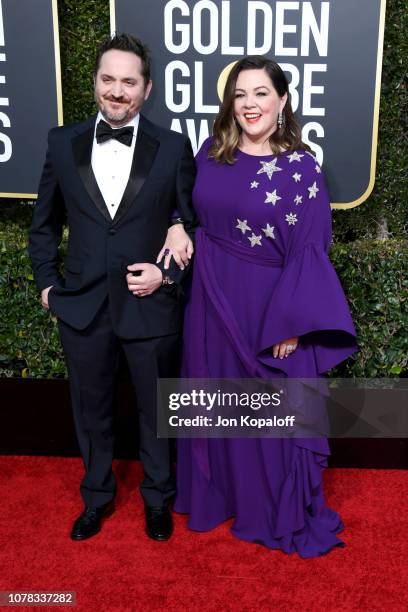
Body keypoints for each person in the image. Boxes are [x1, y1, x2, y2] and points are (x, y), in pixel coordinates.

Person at [173, 56, 357, 558]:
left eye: (260, 93)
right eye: (240, 94)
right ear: (229, 103)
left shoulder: (300, 167)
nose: (249, 104)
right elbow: (185, 206)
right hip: (209, 298)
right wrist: (175, 224)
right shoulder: (212, 152)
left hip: (267, 306)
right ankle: (220, 495)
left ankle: (268, 505)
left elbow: (310, 248)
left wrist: (294, 324)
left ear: (282, 100)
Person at [28, 33, 196, 542]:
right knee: (91, 411)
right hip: (82, 306)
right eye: (108, 80)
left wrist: (167, 273)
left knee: (156, 412)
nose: (117, 91)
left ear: (147, 89)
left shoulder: (173, 147)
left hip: (150, 306)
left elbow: (193, 227)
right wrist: (47, 286)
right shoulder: (62, 142)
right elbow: (42, 225)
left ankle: (157, 499)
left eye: (128, 81)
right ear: (96, 83)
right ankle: (96, 498)